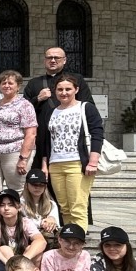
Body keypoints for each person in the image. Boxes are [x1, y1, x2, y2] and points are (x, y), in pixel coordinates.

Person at [35, 73, 103, 229]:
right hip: (55, 164)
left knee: (77, 206)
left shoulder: (85, 108)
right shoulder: (52, 112)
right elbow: (47, 141)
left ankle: (78, 239)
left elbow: (97, 134)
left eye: (68, 89)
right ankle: (68, 238)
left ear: (76, 90)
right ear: (55, 91)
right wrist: (45, 165)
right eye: (60, 89)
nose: (64, 93)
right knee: (64, 207)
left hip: (77, 164)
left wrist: (93, 162)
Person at [0, 70, 38, 205]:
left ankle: (16, 218)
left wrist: (23, 158)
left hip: (14, 152)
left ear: (18, 86)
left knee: (15, 191)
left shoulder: (25, 105)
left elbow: (31, 133)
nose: (6, 85)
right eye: (3, 83)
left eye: (10, 83)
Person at [23, 47, 92, 128]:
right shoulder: (34, 83)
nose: (52, 60)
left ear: (64, 60)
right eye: (49, 58)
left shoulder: (76, 79)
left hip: (69, 129)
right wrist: (38, 98)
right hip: (42, 131)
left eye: (57, 57)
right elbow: (23, 109)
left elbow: (88, 106)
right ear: (44, 60)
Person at [0, 188, 45, 263]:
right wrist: (7, 262)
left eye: (11, 205)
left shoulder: (25, 222)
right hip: (2, 260)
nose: (6, 208)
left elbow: (41, 241)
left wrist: (24, 259)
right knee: (5, 249)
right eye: (2, 205)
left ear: (19, 207)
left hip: (22, 259)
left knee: (34, 250)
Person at [20, 169, 61, 250]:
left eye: (41, 185)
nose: (37, 187)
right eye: (34, 184)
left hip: (46, 237)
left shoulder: (51, 204)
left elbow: (55, 223)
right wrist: (43, 223)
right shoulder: (20, 203)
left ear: (45, 187)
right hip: (27, 237)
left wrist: (51, 220)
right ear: (26, 185)